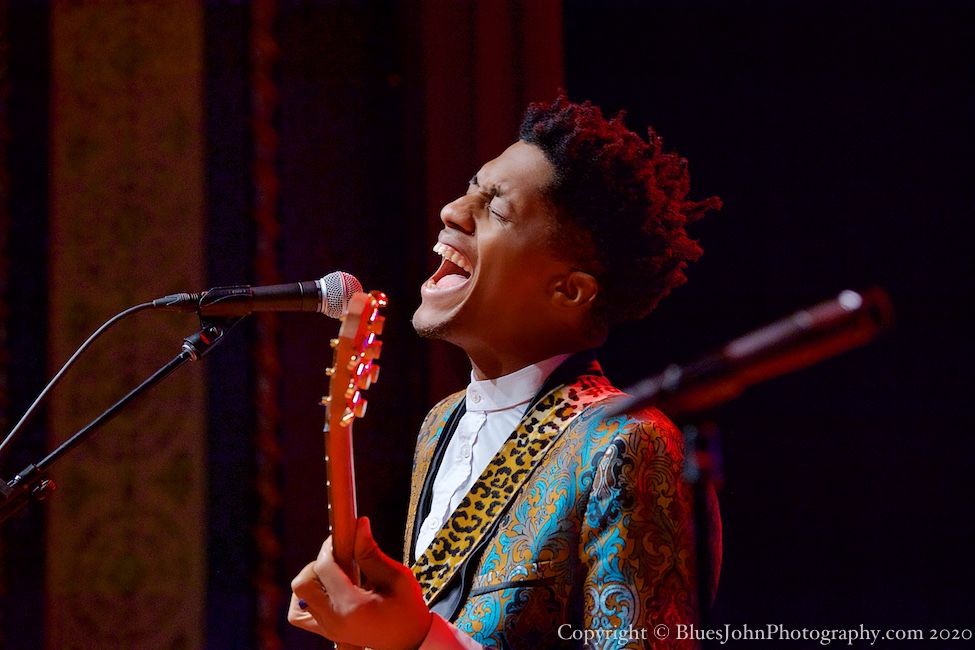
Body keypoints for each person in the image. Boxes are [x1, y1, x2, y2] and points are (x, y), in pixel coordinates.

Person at [288, 94, 721, 649]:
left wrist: (420, 637)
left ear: (569, 291)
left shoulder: (630, 443)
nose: (451, 210)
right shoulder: (440, 425)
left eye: (495, 209)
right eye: (470, 188)